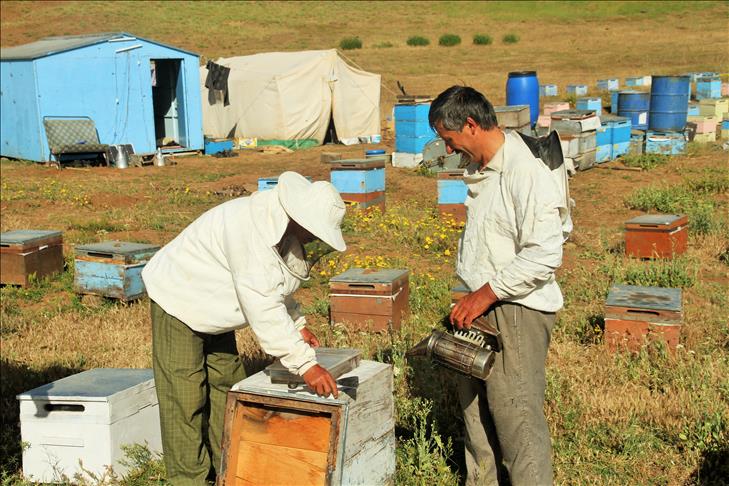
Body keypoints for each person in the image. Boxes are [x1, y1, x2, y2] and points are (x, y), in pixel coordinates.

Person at [141, 171, 345, 485]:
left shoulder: (279, 225)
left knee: (227, 385)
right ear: (301, 218)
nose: (314, 239)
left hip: (214, 307)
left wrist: (297, 324)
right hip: (178, 298)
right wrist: (306, 365)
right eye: (315, 231)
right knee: (185, 397)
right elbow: (262, 304)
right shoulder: (251, 230)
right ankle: (189, 479)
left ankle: (228, 469)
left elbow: (275, 286)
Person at [429, 86, 567, 486]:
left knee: (516, 421)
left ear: (471, 125)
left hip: (516, 309)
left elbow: (545, 253)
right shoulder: (486, 167)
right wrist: (472, 295)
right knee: (476, 417)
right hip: (480, 306)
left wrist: (485, 295)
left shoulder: (524, 171)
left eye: (449, 139)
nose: (449, 149)